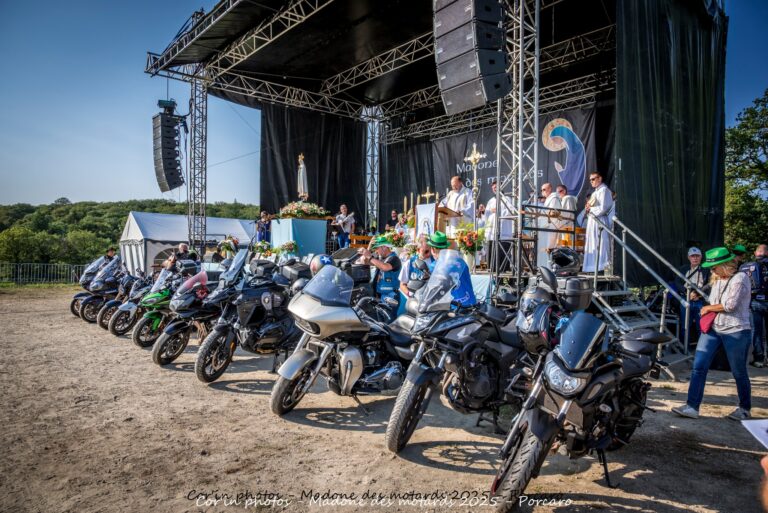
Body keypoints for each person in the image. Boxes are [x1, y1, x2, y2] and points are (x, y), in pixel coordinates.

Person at [672, 247, 753, 421]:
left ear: (725, 265)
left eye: (714, 267)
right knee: (699, 366)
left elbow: (730, 305)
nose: (712, 270)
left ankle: (744, 408)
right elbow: (713, 298)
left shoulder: (740, 278)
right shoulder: (716, 278)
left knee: (738, 371)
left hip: (736, 330)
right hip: (714, 329)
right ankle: (692, 406)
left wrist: (708, 308)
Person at [740, 244, 768, 367]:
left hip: (755, 301)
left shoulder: (746, 266)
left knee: (757, 331)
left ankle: (759, 359)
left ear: (756, 253)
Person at [675, 247, 710, 344]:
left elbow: (709, 284)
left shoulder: (706, 270)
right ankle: (685, 347)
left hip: (700, 300)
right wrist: (687, 292)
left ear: (701, 257)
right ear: (688, 257)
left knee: (701, 325)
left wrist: (698, 293)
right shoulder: (683, 269)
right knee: (685, 326)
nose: (695, 258)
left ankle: (701, 346)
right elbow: (677, 282)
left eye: (697, 256)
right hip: (686, 299)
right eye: (692, 256)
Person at [582, 172, 614, 273]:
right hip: (592, 220)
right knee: (592, 243)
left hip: (600, 220)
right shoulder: (595, 192)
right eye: (590, 180)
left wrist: (591, 209)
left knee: (601, 243)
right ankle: (592, 267)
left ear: (600, 178)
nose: (591, 181)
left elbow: (604, 207)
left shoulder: (604, 190)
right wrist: (588, 209)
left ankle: (602, 267)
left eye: (593, 179)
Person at [358, 236, 402, 309]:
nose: (376, 251)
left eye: (377, 248)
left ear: (384, 247)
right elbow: (364, 262)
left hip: (390, 297)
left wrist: (370, 257)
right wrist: (368, 248)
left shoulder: (394, 259)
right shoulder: (380, 259)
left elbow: (385, 267)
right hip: (380, 296)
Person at [485, 180, 514, 273]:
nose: (494, 189)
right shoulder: (490, 201)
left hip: (503, 233)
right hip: (491, 233)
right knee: (492, 259)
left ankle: (503, 276)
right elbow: (487, 216)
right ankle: (492, 274)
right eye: (493, 188)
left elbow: (511, 212)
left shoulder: (507, 199)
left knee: (502, 259)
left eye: (496, 187)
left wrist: (498, 210)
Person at [536, 183, 562, 268]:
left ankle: (551, 267)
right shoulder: (548, 199)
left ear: (550, 189)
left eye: (544, 189)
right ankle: (545, 266)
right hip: (546, 226)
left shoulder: (554, 198)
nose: (542, 192)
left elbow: (553, 213)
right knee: (545, 247)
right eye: (541, 190)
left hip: (552, 226)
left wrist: (541, 215)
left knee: (550, 247)